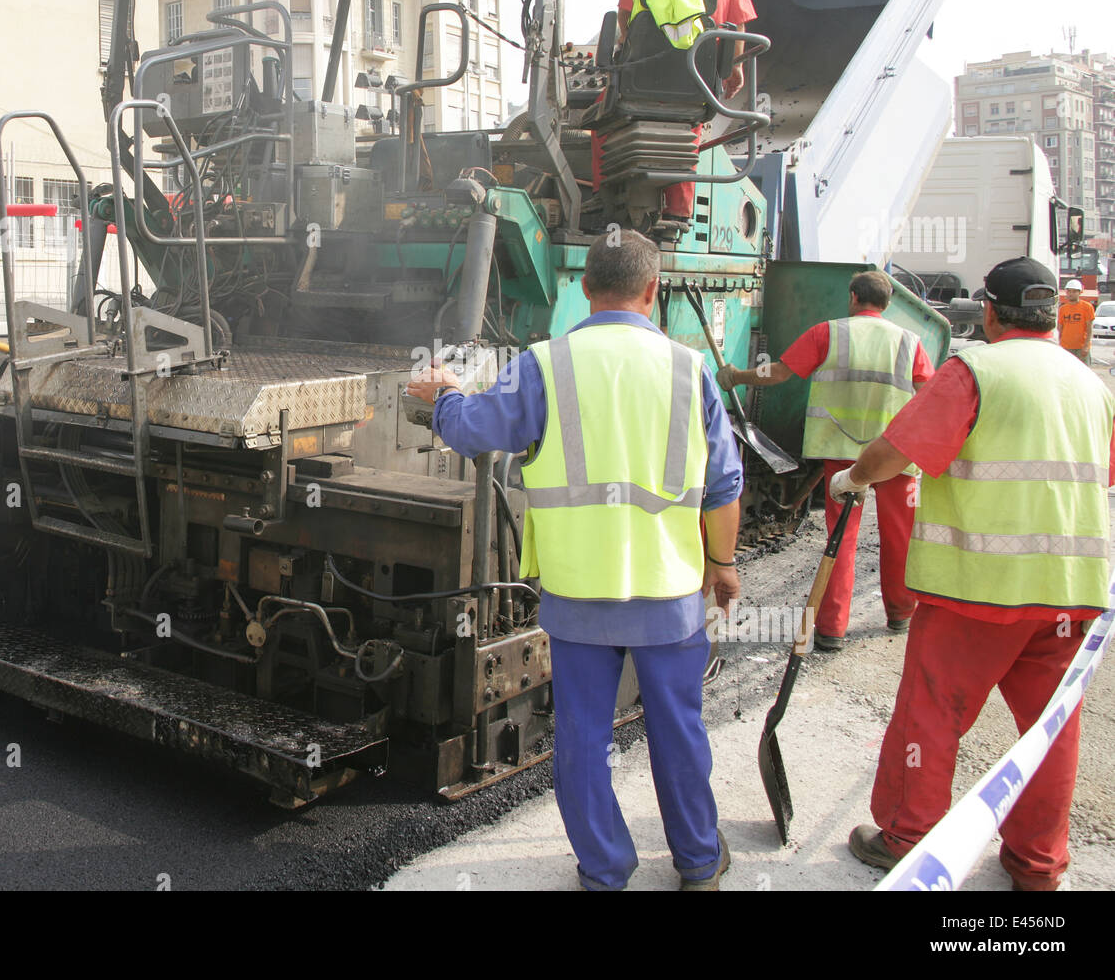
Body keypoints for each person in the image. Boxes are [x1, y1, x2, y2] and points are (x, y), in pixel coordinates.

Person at [406, 230, 744, 891]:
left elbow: (475, 431)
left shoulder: (544, 364)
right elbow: (726, 487)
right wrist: (723, 564)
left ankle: (605, 870)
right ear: (654, 290)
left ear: (582, 290)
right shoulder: (690, 368)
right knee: (679, 731)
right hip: (669, 591)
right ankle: (700, 861)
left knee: (583, 741)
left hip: (579, 593)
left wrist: (442, 393)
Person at [829, 256, 1114, 891]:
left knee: (932, 714)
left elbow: (898, 451)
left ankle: (908, 834)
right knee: (1050, 730)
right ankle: (1038, 865)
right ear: (1049, 316)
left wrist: (853, 477)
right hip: (1072, 594)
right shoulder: (1090, 384)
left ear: (988, 311)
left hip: (977, 592)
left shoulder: (975, 371)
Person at [716, 271, 933, 650]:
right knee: (899, 537)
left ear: (852, 297)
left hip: (843, 456)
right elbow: (930, 394)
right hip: (894, 453)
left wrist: (738, 376)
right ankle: (900, 613)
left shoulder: (828, 333)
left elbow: (779, 372)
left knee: (841, 538)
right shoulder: (909, 342)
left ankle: (832, 628)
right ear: (887, 303)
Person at [595, 0, 757, 224]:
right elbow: (738, 23)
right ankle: (678, 213)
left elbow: (625, 17)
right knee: (688, 133)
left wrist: (632, 51)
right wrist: (732, 70)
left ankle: (604, 199)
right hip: (697, 83)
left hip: (641, 80)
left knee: (600, 119)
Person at [1058, 278, 1094, 365]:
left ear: (1079, 292)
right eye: (1069, 291)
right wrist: (1060, 344)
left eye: (1074, 291)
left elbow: (1089, 329)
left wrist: (1086, 346)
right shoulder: (1063, 309)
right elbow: (1060, 328)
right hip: (1066, 347)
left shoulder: (1087, 307)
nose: (1071, 294)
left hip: (1081, 347)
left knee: (1083, 373)